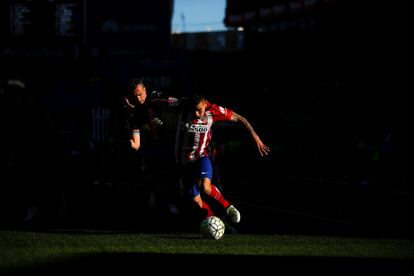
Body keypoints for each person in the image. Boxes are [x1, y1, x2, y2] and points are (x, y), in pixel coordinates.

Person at [179, 94, 271, 225]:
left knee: (205, 186)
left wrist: (256, 138)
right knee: (195, 200)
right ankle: (214, 222)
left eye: (199, 110)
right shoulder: (182, 106)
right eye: (193, 110)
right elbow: (162, 102)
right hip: (184, 161)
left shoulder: (214, 111)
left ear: (205, 103)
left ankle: (229, 207)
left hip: (202, 155)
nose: (196, 114)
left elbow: (240, 118)